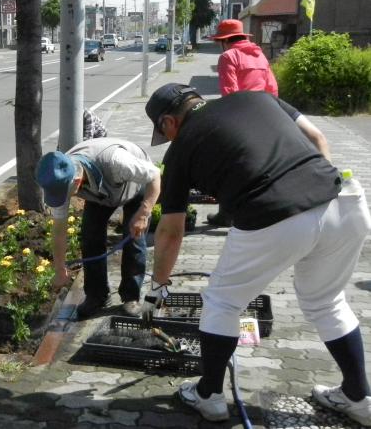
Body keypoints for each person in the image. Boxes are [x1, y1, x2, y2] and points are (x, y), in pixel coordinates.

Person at [142, 83, 371, 426]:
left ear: (168, 122)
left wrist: (158, 285)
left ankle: (210, 396)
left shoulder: (179, 150)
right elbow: (319, 138)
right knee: (327, 303)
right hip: (344, 201)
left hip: (274, 214)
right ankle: (359, 398)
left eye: (164, 133)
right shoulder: (259, 98)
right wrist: (314, 193)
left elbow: (171, 231)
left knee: (222, 303)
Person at [35, 138, 160, 318]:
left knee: (134, 238)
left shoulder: (116, 162)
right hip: (101, 192)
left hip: (136, 185)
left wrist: (144, 213)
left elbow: (155, 175)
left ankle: (131, 297)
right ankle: (97, 296)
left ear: (77, 182)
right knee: (90, 236)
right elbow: (59, 231)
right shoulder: (58, 178)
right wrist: (59, 267)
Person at [207, 19, 279, 227]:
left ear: (224, 41)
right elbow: (272, 88)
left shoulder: (228, 56)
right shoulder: (259, 55)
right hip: (265, 114)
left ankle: (226, 213)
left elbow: (229, 92)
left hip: (241, 116)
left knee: (229, 166)